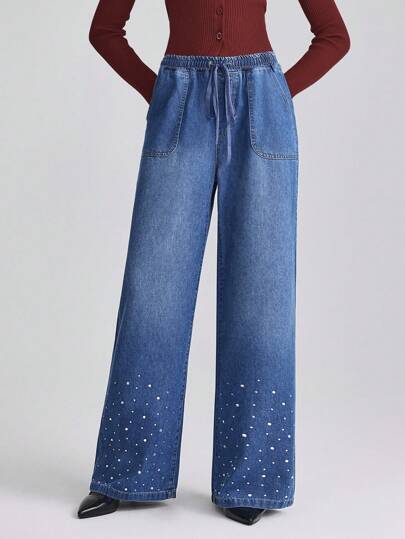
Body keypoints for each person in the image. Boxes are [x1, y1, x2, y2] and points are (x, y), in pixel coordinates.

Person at [78, 0, 350, 526]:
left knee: (261, 296)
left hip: (261, 108)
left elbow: (334, 36)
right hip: (179, 103)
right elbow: (105, 29)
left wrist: (275, 94)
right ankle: (129, 473)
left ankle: (252, 481)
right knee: (153, 293)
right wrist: (161, 93)